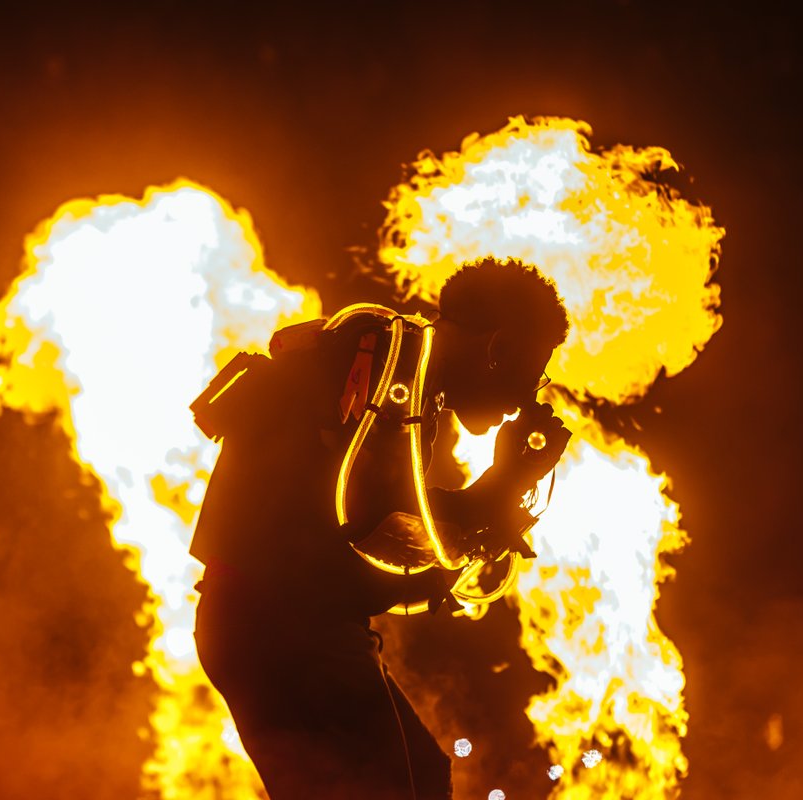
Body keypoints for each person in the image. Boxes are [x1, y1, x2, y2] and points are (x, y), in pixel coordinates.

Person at [190, 256, 571, 799]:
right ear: (499, 348)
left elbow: (379, 518)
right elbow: (382, 540)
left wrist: (500, 494)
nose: (524, 401)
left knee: (421, 773)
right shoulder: (389, 376)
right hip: (282, 629)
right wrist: (503, 484)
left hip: (287, 627)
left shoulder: (400, 376)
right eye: (533, 373)